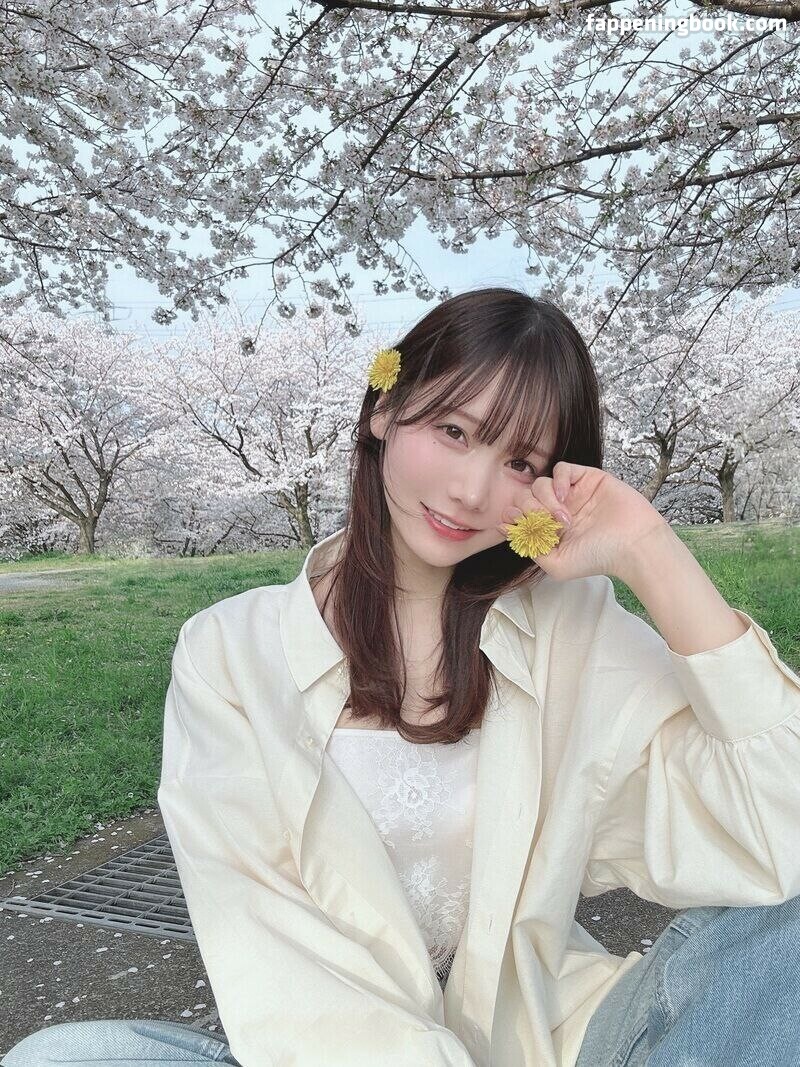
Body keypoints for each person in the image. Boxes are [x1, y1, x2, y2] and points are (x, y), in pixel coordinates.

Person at [4, 287, 799, 1067]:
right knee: (65, 1057)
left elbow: (780, 830)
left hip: (554, 1037)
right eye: (453, 430)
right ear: (384, 408)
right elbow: (272, 947)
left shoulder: (567, 626)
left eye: (519, 461)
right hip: (327, 1053)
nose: (470, 490)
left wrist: (650, 550)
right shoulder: (229, 653)